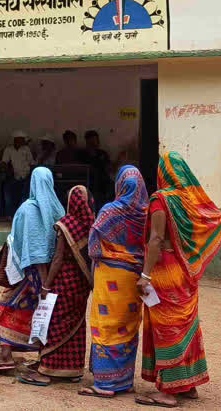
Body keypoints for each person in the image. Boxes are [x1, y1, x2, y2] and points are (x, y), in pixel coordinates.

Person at [135, 152, 221, 406]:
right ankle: (188, 384)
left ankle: (168, 392)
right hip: (184, 271)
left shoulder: (160, 200)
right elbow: (215, 219)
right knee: (186, 324)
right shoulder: (190, 201)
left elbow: (155, 239)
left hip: (164, 270)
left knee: (167, 328)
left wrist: (145, 274)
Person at [16, 184, 95, 385]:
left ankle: (48, 369)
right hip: (82, 284)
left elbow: (58, 258)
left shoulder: (65, 224)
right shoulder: (92, 224)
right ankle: (73, 369)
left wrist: (46, 285)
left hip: (64, 280)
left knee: (55, 323)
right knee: (75, 325)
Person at [81, 165, 148, 398]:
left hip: (110, 275)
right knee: (128, 327)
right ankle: (124, 381)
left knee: (106, 325)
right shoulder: (147, 213)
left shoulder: (111, 210)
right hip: (134, 276)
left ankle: (105, 384)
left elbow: (94, 245)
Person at [0, 166, 64, 370]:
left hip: (27, 273)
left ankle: (5, 356)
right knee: (43, 315)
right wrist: (47, 280)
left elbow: (24, 244)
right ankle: (43, 357)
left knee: (6, 310)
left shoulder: (26, 209)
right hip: (52, 274)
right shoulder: (58, 209)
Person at [0, 131, 34, 219]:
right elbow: (4, 162)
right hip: (13, 176)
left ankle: (21, 215)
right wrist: (6, 169)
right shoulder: (8, 149)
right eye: (21, 139)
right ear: (16, 140)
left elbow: (31, 162)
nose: (23, 141)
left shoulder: (26, 149)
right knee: (9, 196)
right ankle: (10, 215)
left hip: (25, 176)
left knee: (24, 197)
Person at [83, 131, 113, 210]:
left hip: (103, 187)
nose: (93, 144)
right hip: (89, 186)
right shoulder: (82, 155)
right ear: (87, 142)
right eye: (91, 142)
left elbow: (109, 169)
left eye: (95, 141)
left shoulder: (102, 153)